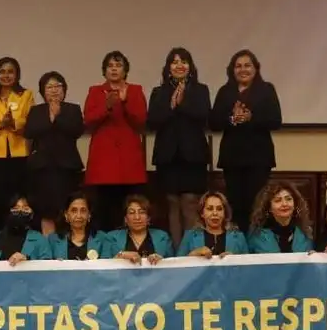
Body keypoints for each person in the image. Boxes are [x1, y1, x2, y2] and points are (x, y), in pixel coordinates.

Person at [211, 49, 282, 234]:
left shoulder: (266, 89)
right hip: (232, 159)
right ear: (232, 70)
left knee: (258, 205)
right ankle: (239, 243)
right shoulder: (225, 92)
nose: (243, 69)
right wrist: (232, 119)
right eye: (238, 66)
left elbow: (275, 121)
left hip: (259, 158)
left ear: (256, 68)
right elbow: (214, 123)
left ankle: (257, 242)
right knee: (235, 205)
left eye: (247, 65)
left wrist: (251, 117)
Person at [147, 47, 212, 246]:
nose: (179, 65)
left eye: (183, 61)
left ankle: (192, 252)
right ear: (168, 68)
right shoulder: (159, 92)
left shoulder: (200, 90)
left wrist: (183, 103)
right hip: (168, 157)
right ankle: (176, 253)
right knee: (172, 205)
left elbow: (205, 117)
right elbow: (152, 122)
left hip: (193, 157)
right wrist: (171, 106)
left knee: (190, 203)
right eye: (174, 62)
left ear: (190, 67)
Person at [83, 50, 148, 232]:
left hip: (129, 163)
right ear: (104, 71)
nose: (114, 69)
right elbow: (88, 121)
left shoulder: (135, 90)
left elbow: (141, 120)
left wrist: (125, 102)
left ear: (125, 70)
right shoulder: (96, 91)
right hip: (104, 164)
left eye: (118, 65)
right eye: (110, 66)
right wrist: (107, 107)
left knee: (130, 209)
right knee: (104, 212)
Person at [25, 71, 84, 235]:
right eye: (49, 86)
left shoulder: (73, 109)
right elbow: (30, 131)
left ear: (64, 89)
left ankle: (68, 244)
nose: (54, 90)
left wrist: (58, 116)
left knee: (67, 208)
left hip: (67, 168)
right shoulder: (36, 111)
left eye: (58, 86)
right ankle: (47, 245)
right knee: (45, 210)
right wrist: (50, 117)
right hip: (42, 169)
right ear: (43, 91)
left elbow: (76, 130)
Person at [0, 57, 35, 234]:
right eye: (2, 72)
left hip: (19, 155)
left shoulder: (26, 95)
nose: (6, 75)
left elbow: (30, 122)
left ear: (17, 75)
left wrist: (13, 123)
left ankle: (19, 234)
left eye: (10, 72)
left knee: (17, 197)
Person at [104, 194, 173, 265]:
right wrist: (121, 256)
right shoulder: (111, 237)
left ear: (148, 218)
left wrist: (161, 261)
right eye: (131, 213)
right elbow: (102, 266)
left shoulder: (162, 237)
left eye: (142, 212)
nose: (137, 217)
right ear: (125, 219)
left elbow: (173, 265)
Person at [175, 191, 249, 257]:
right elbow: (177, 267)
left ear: (225, 213)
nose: (215, 213)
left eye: (219, 209)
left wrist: (235, 261)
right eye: (210, 209)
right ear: (202, 213)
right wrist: (192, 255)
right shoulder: (189, 236)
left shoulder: (239, 237)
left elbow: (249, 268)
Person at [247, 182, 313, 253]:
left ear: (295, 204)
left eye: (288, 199)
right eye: (278, 200)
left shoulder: (305, 233)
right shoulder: (257, 235)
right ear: (269, 208)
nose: (284, 204)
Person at [47, 192, 111, 260]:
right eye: (74, 211)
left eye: (83, 211)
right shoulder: (52, 240)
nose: (78, 216)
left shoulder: (102, 239)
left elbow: (107, 266)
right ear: (66, 215)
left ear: (89, 214)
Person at [0, 195, 52, 266]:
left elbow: (48, 267)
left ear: (32, 214)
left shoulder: (40, 239)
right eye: (16, 208)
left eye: (25, 209)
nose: (20, 211)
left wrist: (27, 259)